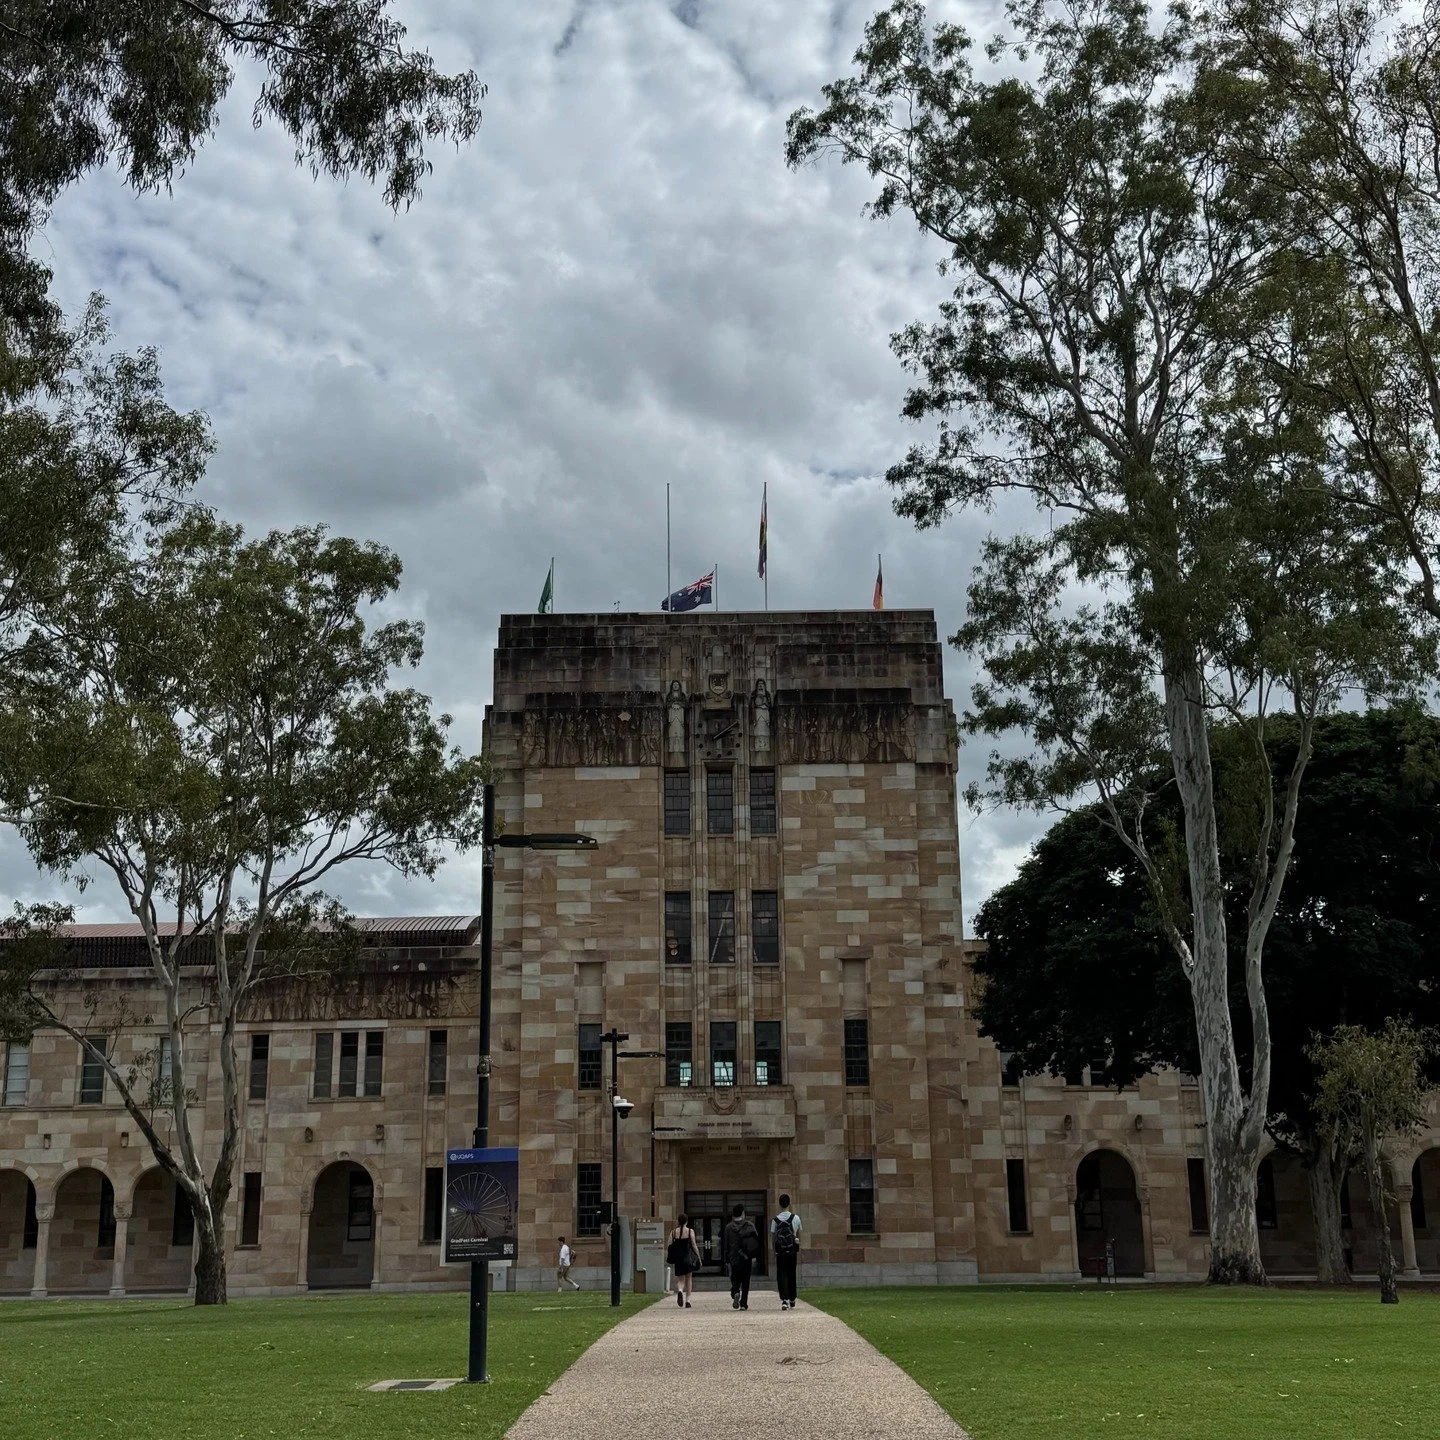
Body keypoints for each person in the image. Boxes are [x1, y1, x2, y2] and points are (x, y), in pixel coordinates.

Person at [722, 1201, 760, 1310]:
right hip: (746, 1257)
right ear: (743, 1213)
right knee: (746, 1281)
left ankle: (735, 1292)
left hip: (734, 1258)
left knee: (735, 1279)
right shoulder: (749, 1225)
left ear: (733, 1214)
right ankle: (743, 1303)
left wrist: (726, 1258)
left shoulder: (729, 1227)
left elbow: (726, 1244)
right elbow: (755, 1241)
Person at [770, 1194, 802, 1310]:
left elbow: (773, 1238)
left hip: (781, 1252)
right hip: (792, 1250)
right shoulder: (796, 1218)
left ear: (779, 1204)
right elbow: (798, 1235)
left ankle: (784, 1299)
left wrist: (774, 1251)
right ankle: (792, 1298)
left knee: (782, 1274)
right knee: (792, 1274)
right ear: (789, 1203)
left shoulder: (775, 1220)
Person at [666, 1213, 699, 1308]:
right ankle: (688, 1300)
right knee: (689, 1279)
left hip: (678, 1259)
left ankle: (680, 1290)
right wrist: (698, 1256)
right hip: (688, 1258)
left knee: (681, 1279)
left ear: (678, 1221)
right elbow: (694, 1245)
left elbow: (669, 1244)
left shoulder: (673, 1232)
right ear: (686, 1221)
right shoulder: (689, 1231)